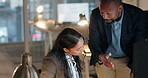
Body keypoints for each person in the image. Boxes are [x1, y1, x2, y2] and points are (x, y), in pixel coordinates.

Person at [88, 0, 145, 78]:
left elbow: (139, 44)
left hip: (128, 61)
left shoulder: (137, 15)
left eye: (108, 13)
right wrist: (100, 56)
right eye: (102, 13)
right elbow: (93, 41)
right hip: (104, 60)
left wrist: (135, 68)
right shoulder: (95, 15)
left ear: (120, 8)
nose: (104, 16)